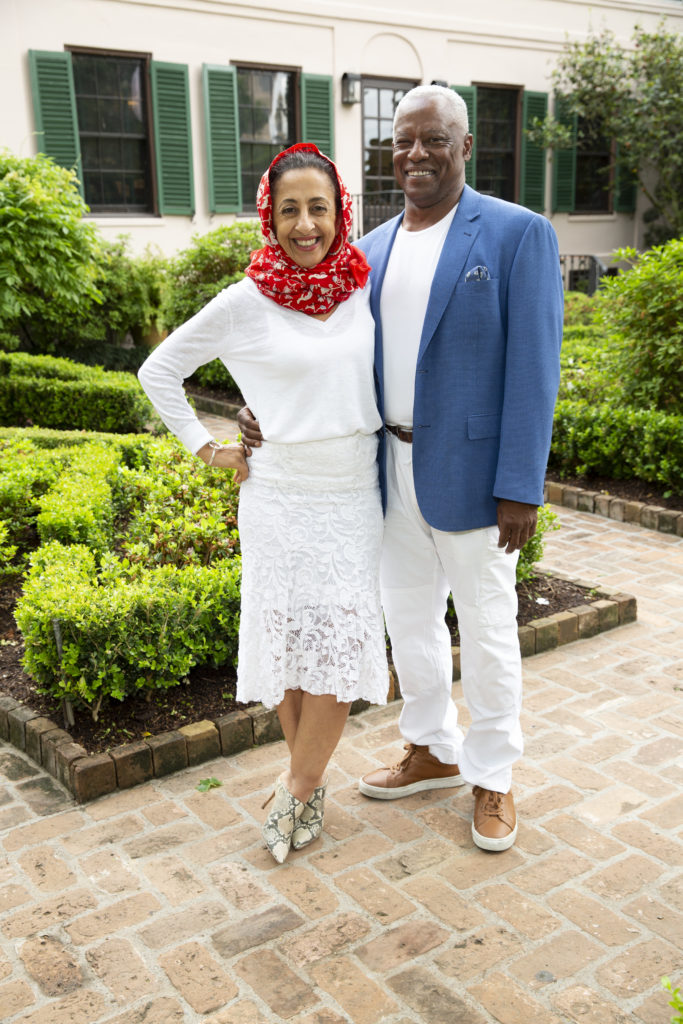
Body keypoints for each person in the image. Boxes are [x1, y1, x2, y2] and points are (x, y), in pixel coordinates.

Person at [239, 85, 564, 853]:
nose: (415, 153)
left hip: (478, 478)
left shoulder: (516, 234)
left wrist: (520, 483)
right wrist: (263, 414)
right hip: (386, 471)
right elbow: (319, 352)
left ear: (464, 147)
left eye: (433, 140)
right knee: (408, 622)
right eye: (403, 140)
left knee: (485, 629)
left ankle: (492, 774)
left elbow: (535, 368)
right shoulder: (370, 250)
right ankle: (431, 748)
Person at [138, 143, 388, 864]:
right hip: (276, 495)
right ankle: (305, 789)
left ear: (340, 212)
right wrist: (211, 446)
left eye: (318, 208)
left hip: (350, 493)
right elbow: (159, 371)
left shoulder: (363, 287)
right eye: (289, 211)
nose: (304, 225)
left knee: (337, 645)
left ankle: (295, 787)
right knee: (284, 643)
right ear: (268, 218)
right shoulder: (246, 299)